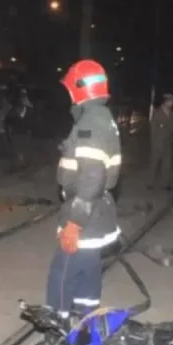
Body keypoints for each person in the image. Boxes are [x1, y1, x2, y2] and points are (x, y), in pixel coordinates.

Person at [46, 60, 121, 318]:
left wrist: (74, 223)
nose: (68, 93)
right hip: (98, 211)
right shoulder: (101, 117)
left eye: (69, 88)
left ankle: (58, 328)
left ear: (80, 88)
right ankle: (86, 323)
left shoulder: (90, 121)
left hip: (86, 213)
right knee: (88, 271)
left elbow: (92, 175)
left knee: (62, 274)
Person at [148, 93, 173, 190]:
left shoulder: (171, 113)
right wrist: (154, 141)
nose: (172, 104)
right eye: (170, 102)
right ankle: (150, 183)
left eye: (172, 102)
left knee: (167, 164)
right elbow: (153, 128)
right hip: (158, 143)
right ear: (165, 102)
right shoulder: (157, 112)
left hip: (168, 142)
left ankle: (165, 183)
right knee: (154, 163)